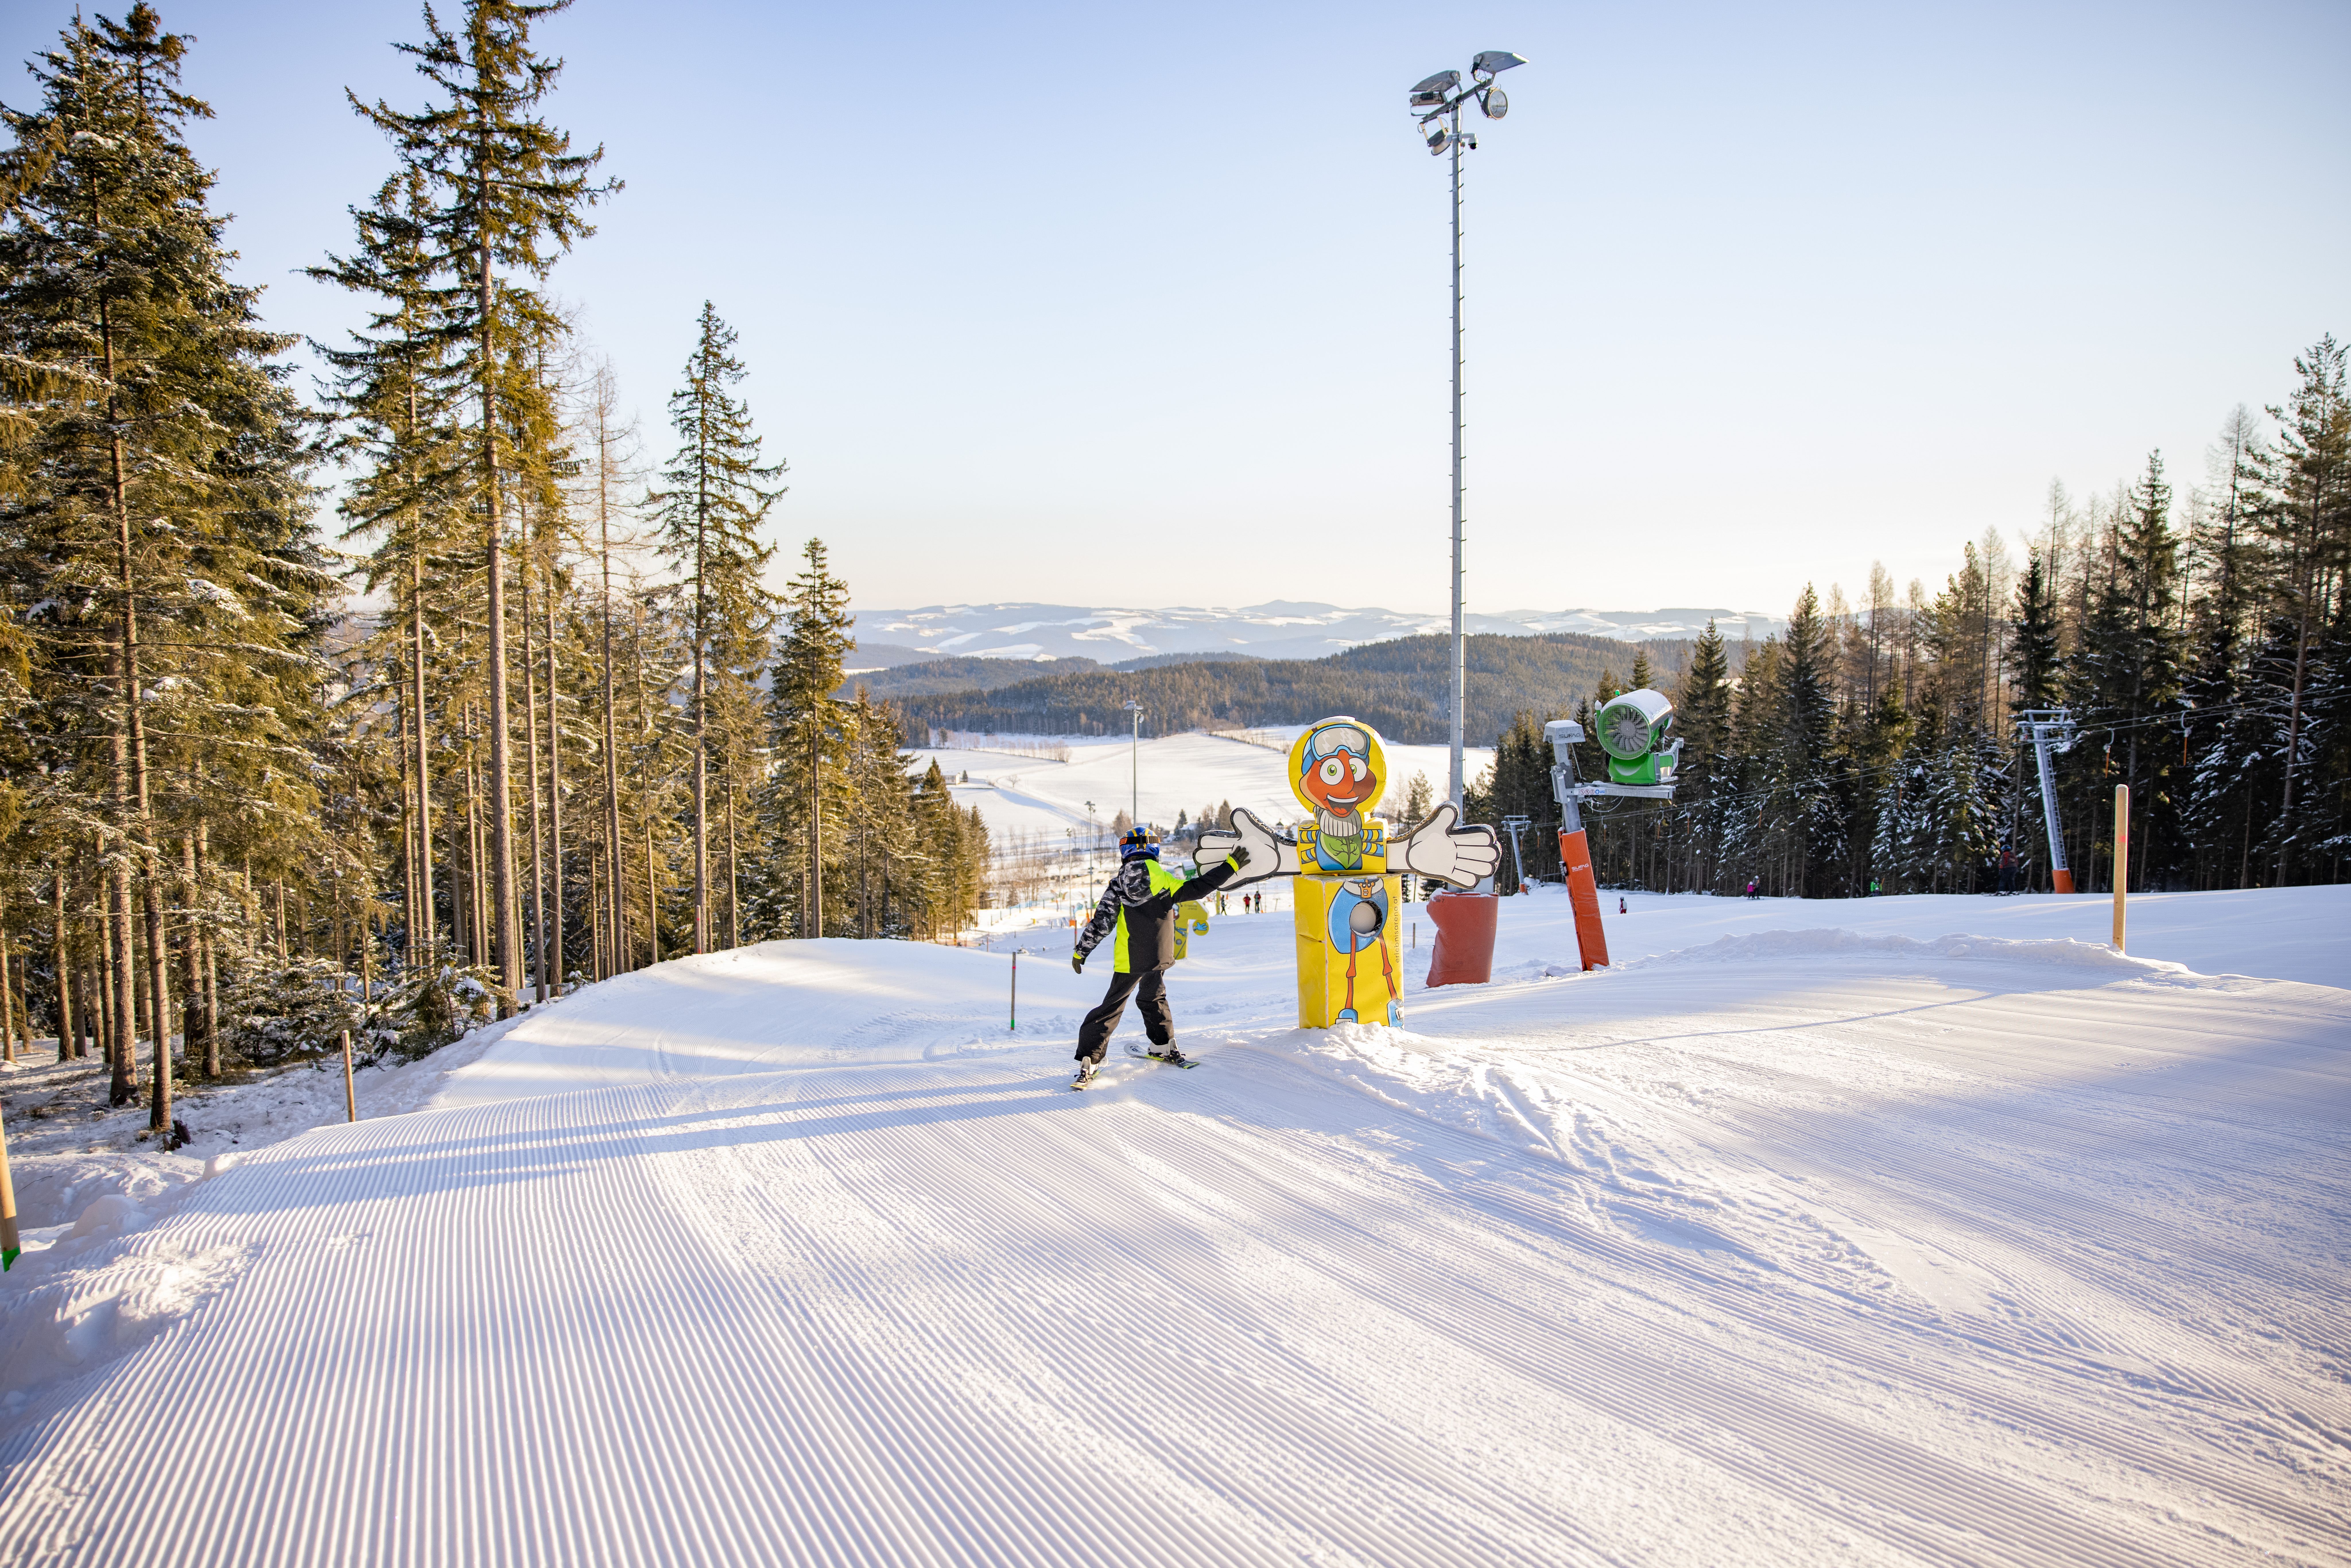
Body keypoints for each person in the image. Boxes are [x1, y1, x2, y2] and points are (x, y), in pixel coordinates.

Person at [1069, 827, 1250, 1086]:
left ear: (1125, 851)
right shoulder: (1165, 880)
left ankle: (1091, 1060)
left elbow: (1102, 923)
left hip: (1130, 958)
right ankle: (1164, 1047)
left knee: (1111, 1008)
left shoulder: (1118, 886)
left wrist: (1081, 951)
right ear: (1154, 850)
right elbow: (1199, 888)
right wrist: (1230, 866)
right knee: (1153, 997)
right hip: (1160, 955)